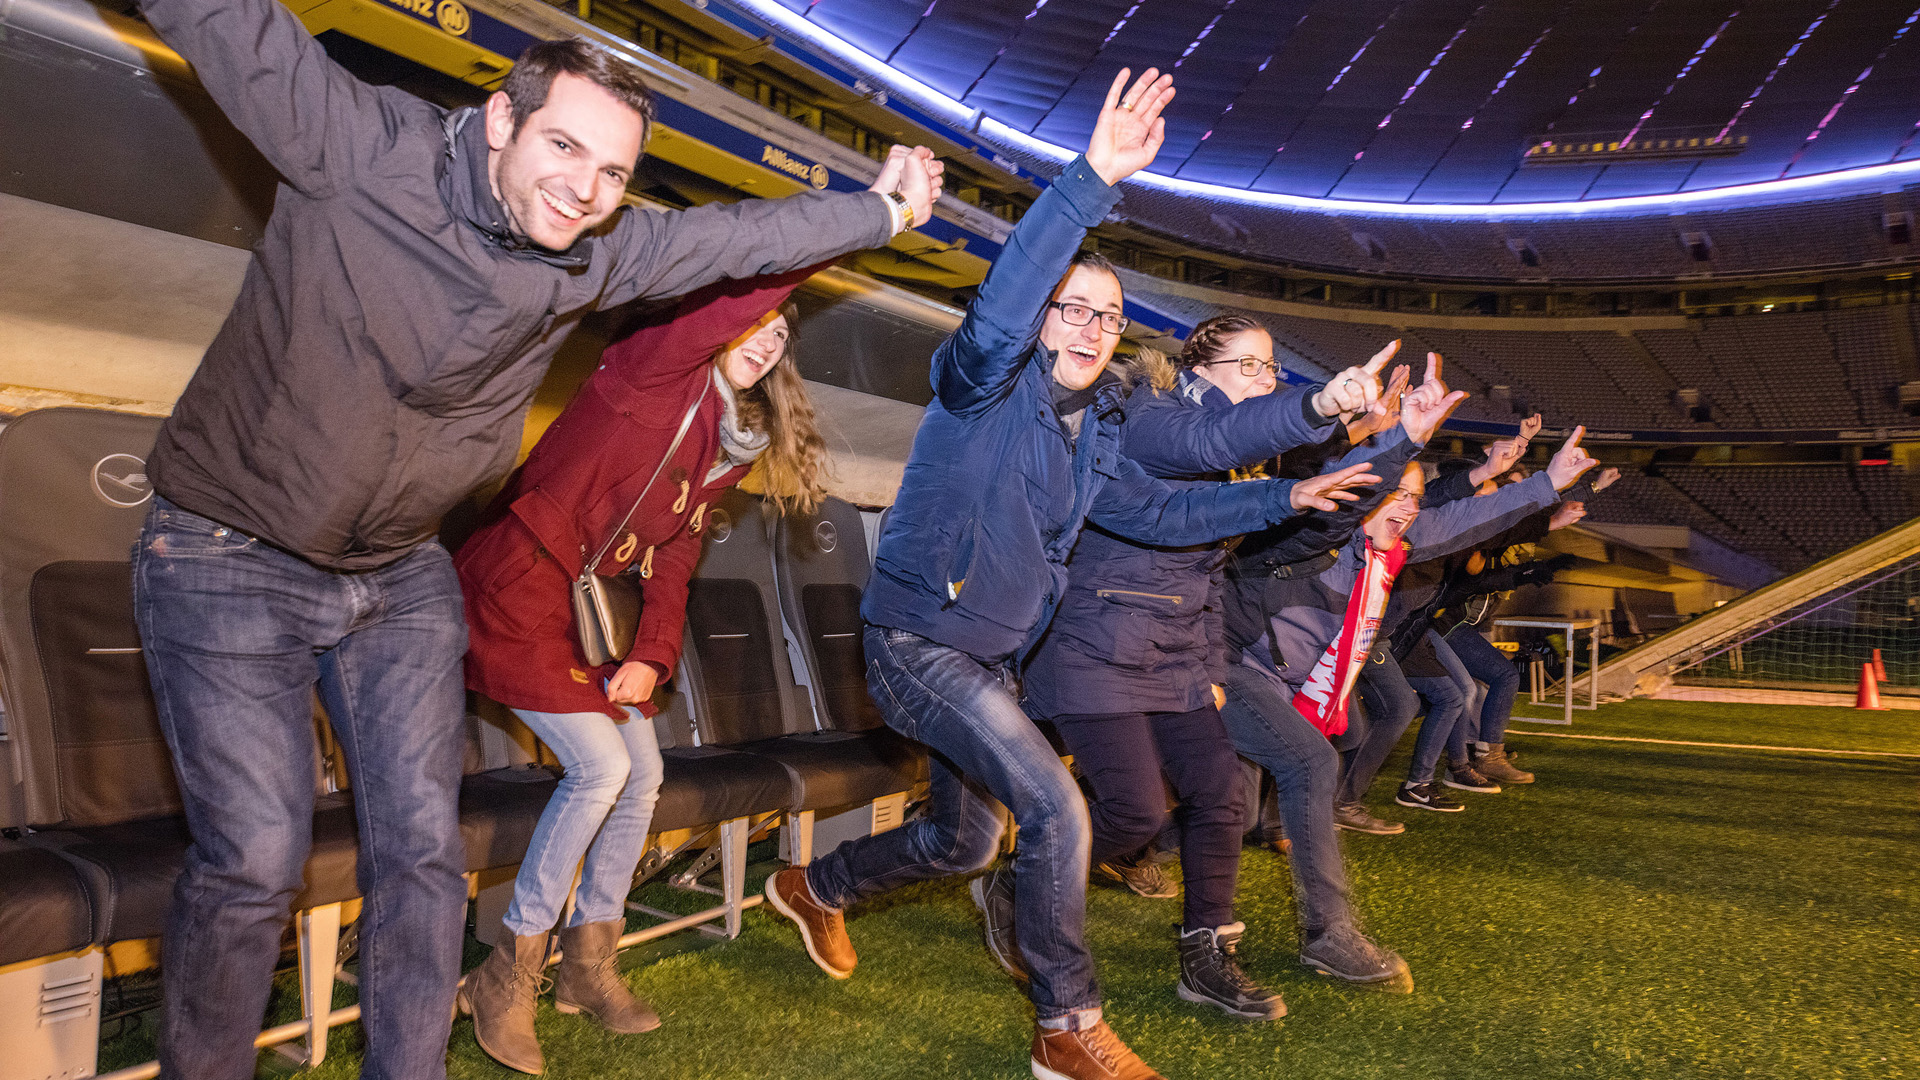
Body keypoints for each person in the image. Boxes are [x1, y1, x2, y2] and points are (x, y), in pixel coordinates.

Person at [127, 0, 940, 1075]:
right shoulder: (359, 145)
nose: (587, 189)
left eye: (613, 173)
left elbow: (731, 236)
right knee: (257, 859)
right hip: (230, 549)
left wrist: (880, 216)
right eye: (565, 147)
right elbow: (229, 23)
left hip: (398, 572)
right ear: (500, 119)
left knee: (423, 853)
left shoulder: (594, 252)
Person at [759, 68, 1376, 1080]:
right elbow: (1000, 309)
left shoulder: (1093, 436)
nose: (1090, 328)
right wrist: (1090, 179)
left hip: (990, 663)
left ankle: (813, 886)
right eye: (1073, 309)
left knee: (961, 846)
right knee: (1058, 810)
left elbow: (1164, 511)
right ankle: (1066, 1027)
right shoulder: (980, 386)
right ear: (1039, 321)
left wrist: (1285, 494)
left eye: (1107, 315)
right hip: (917, 643)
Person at [452, 259, 843, 1071]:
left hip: (587, 619)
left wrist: (652, 656)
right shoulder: (649, 369)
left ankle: (588, 965)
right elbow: (710, 317)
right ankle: (508, 971)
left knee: (642, 771)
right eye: (757, 328)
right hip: (518, 590)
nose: (766, 347)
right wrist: (822, 240)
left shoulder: (730, 442)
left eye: (778, 339)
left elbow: (676, 553)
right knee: (598, 769)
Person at [1018, 317, 1404, 1018]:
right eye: (1249, 366)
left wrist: (1206, 667)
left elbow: (1207, 573)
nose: (1264, 380)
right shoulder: (1150, 415)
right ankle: (1021, 884)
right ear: (1198, 370)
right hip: (1092, 644)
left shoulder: (1228, 459)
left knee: (1222, 795)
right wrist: (1318, 404)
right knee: (1133, 813)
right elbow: (1211, 442)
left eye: (1271, 369)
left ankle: (1206, 956)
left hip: (1173, 653)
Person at [1270, 429, 1600, 818]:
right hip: (1345, 645)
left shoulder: (1412, 537)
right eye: (1400, 495)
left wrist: (1553, 491)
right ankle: (1353, 799)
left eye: (1415, 499)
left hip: (1385, 636)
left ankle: (1323, 807)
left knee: (1393, 714)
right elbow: (1445, 503)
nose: (1409, 508)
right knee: (1414, 705)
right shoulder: (1331, 534)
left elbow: (1479, 529)